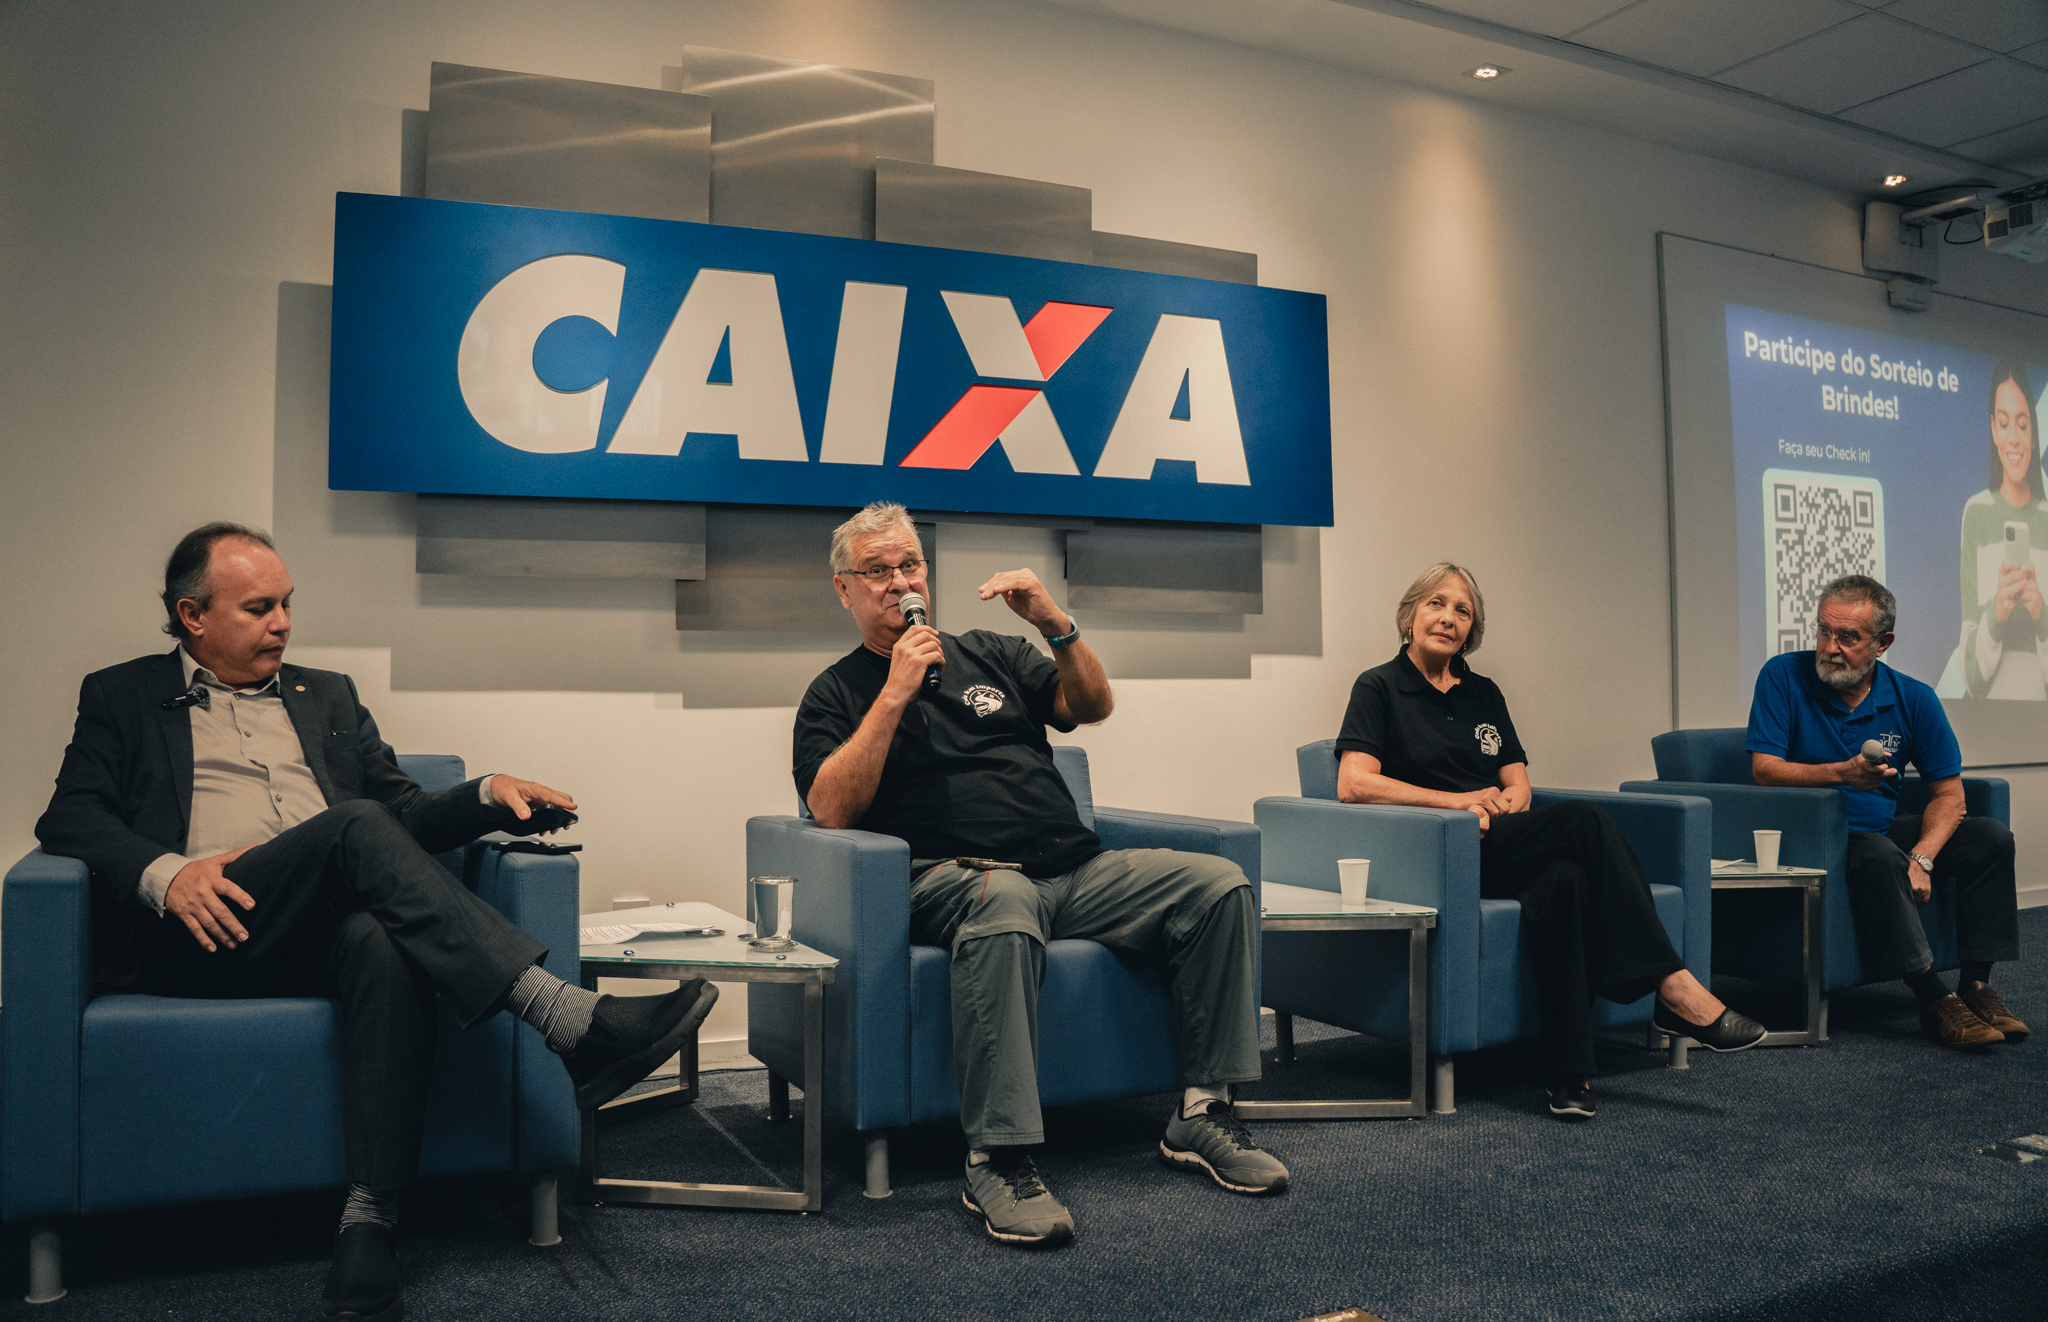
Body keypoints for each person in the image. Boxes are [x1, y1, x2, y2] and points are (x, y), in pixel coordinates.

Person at [37, 523, 718, 1320]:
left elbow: (405, 812)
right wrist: (168, 874)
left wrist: (487, 793)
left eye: (288, 603)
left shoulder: (326, 694)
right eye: (259, 608)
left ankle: (369, 1220)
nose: (283, 623)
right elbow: (71, 817)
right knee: (354, 826)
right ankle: (568, 1018)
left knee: (380, 937)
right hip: (207, 930)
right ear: (192, 615)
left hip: (322, 927)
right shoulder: (120, 695)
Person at [792, 501, 1284, 1248]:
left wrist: (1057, 624)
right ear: (844, 589)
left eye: (910, 565)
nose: (900, 582)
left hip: (1074, 869)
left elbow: (1092, 705)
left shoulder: (991, 651)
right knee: (1005, 897)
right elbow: (829, 809)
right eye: (878, 570)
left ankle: (1202, 1112)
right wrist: (894, 692)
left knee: (1217, 885)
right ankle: (996, 1158)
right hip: (954, 877)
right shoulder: (835, 691)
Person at [1335, 562, 1763, 1119]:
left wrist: (1503, 805)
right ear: (1410, 614)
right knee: (1583, 821)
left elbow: (1518, 785)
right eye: (1436, 604)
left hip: (1498, 839)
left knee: (1567, 881)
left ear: (1472, 629)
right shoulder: (1378, 686)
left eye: (1462, 611)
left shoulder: (1483, 693)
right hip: (1436, 850)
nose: (1448, 618)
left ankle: (1569, 1074)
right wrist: (1456, 804)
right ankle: (1673, 986)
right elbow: (1353, 783)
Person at [1748, 573, 2027, 1051]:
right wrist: (1842, 773)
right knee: (1878, 855)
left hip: (1879, 832)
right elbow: (1764, 770)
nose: (1830, 647)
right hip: (1813, 838)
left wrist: (1921, 856)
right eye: (1824, 631)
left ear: (1883, 643)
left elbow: (1950, 796)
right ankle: (1934, 1000)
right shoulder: (1782, 675)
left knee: (1991, 838)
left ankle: (1976, 986)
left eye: (1848, 637)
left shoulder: (1913, 697)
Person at [1960, 359, 2048, 699]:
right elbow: (1971, 678)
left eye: (2023, 425)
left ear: (2034, 436)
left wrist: (2041, 613)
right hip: (1986, 723)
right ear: (1993, 430)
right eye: (2004, 423)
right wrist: (1997, 612)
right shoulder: (1976, 513)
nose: (2013, 438)